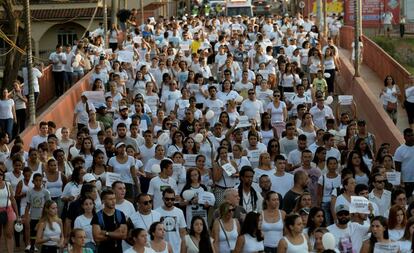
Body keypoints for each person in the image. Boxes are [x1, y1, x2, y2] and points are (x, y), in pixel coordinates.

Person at [25, 172, 52, 252]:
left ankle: (45, 247)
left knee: (44, 232)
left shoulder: (46, 192)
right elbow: (28, 205)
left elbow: (49, 205)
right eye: (36, 180)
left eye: (40, 180)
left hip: (43, 217)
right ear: (33, 181)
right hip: (33, 216)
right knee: (33, 232)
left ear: (42, 181)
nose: (38, 182)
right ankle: (32, 246)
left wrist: (49, 215)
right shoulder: (30, 192)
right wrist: (26, 216)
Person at [154, 188, 187, 253]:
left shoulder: (179, 212)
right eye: (167, 199)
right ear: (163, 199)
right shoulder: (156, 212)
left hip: (177, 249)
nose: (170, 201)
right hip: (161, 250)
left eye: (172, 199)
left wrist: (183, 250)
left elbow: (183, 232)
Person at [0, 169, 19, 253]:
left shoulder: (8, 184)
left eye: (0, 174)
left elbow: (13, 199)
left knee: (9, 234)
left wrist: (17, 215)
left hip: (8, 210)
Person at [394, 128, 414, 196]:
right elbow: (397, 168)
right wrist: (398, 182)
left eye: (412, 135)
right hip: (406, 181)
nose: (411, 137)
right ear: (404, 137)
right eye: (409, 136)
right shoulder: (399, 150)